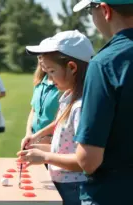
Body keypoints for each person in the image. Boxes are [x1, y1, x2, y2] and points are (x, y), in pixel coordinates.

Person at [18, 30, 95, 205]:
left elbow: (83, 161)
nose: (50, 79)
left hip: (74, 188)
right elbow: (61, 129)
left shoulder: (81, 107)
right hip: (63, 183)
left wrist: (45, 157)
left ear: (72, 67)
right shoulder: (69, 96)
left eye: (52, 71)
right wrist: (36, 141)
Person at [72, 1, 133, 204]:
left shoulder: (105, 63)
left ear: (105, 10)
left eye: (91, 10)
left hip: (114, 193)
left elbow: (88, 160)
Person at [22, 60, 60, 147]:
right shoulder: (38, 83)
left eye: (43, 56)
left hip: (52, 142)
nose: (41, 60)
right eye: (39, 57)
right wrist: (29, 133)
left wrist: (38, 137)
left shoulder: (62, 86)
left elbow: (61, 119)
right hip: (34, 140)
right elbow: (33, 111)